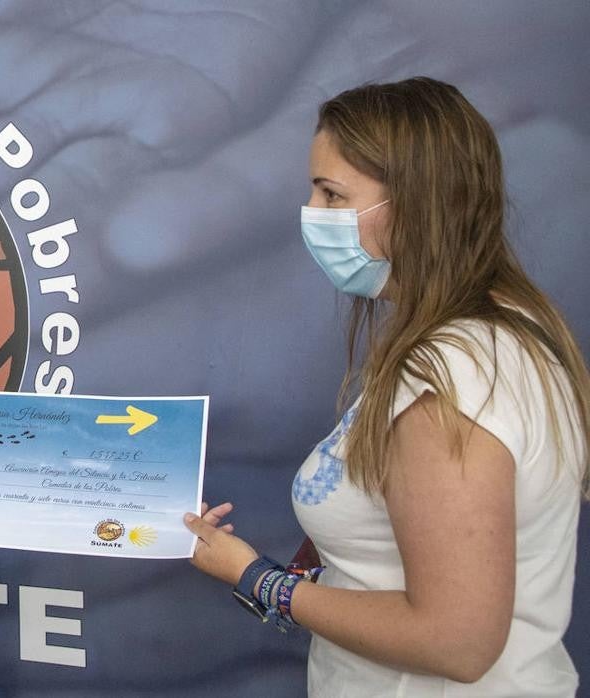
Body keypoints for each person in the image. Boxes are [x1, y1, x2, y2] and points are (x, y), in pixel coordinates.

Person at [184, 77, 590, 697]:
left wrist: (257, 579)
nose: (313, 215)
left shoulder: (453, 377)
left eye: (333, 193)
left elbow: (456, 640)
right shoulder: (490, 336)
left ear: (418, 204)